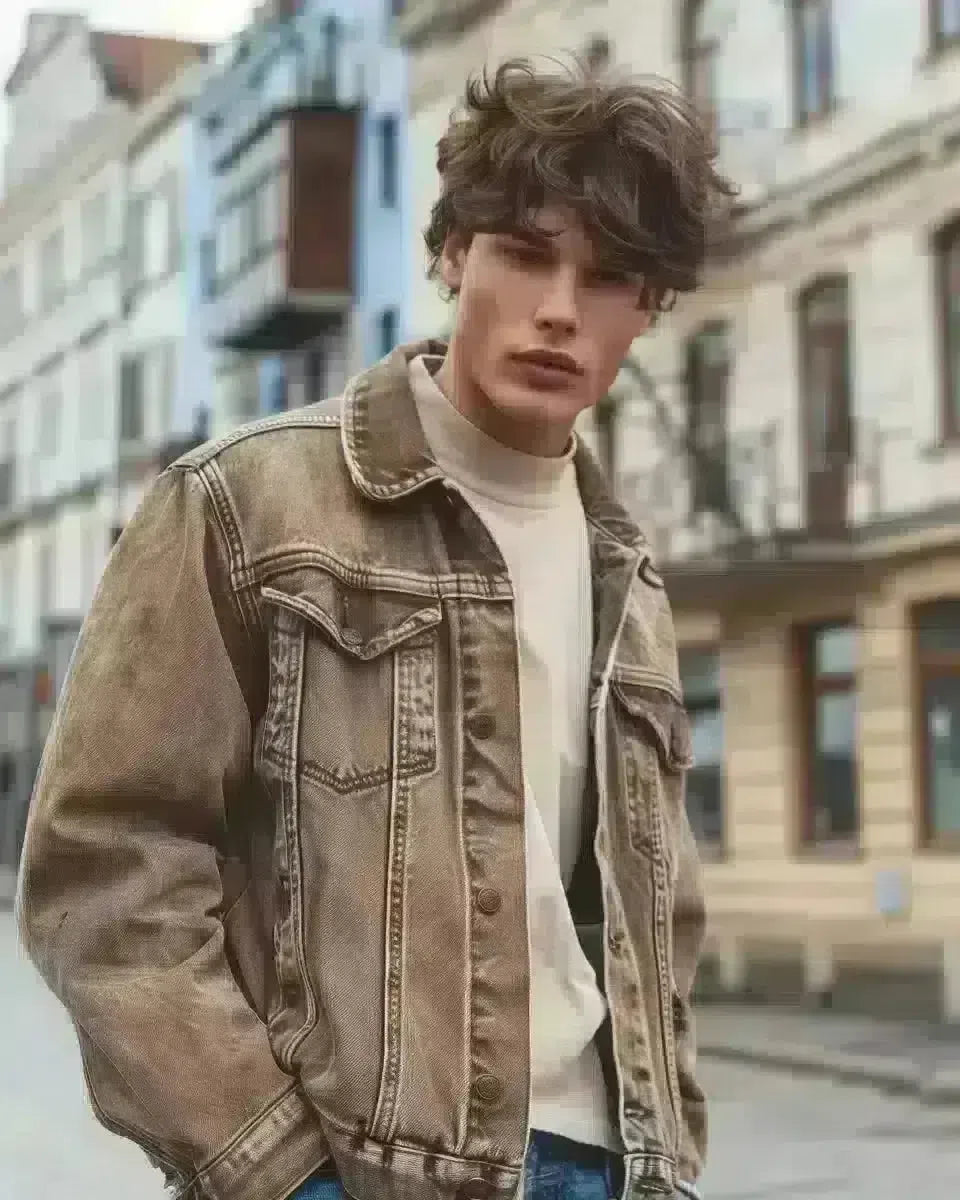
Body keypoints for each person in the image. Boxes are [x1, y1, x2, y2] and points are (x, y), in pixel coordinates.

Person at [17, 57, 736, 1200]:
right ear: (453, 254)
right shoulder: (246, 503)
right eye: (525, 253)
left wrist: (672, 1148)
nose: (560, 309)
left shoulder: (625, 570)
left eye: (608, 278)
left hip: (609, 1169)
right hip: (365, 1173)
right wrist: (278, 1171)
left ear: (650, 308)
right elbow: (105, 874)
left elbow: (660, 915)